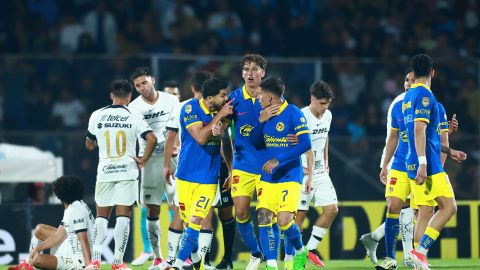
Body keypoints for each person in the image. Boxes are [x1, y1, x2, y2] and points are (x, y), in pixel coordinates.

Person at [84, 80, 157, 270]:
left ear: (111, 95)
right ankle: (117, 263)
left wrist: (99, 142)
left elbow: (89, 145)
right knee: (123, 216)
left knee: (101, 217)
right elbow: (152, 138)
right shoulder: (133, 114)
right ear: (129, 97)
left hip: (105, 170)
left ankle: (95, 261)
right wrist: (143, 159)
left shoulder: (97, 115)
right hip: (127, 170)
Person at [403, 54, 466, 270]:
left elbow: (425, 135)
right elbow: (418, 129)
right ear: (433, 72)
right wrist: (423, 162)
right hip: (427, 164)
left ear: (413, 73)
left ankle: (417, 263)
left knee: (425, 212)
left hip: (413, 162)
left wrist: (450, 148)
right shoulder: (425, 97)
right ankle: (419, 252)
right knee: (449, 208)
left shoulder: (407, 98)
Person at [169, 77, 233, 269]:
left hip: (208, 179)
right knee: (190, 226)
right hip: (185, 176)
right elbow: (200, 137)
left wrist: (230, 169)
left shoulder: (224, 113)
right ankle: (198, 264)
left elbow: (225, 142)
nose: (226, 99)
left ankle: (177, 264)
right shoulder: (190, 108)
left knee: (196, 221)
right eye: (223, 96)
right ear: (210, 98)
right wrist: (219, 115)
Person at [250, 77, 311, 270]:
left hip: (289, 176)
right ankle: (271, 264)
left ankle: (301, 251)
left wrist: (278, 160)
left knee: (284, 221)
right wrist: (261, 121)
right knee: (264, 218)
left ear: (269, 97)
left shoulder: (293, 113)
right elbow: (255, 142)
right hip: (268, 178)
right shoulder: (263, 114)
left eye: (260, 94)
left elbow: (306, 143)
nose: (258, 97)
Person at [128, 67, 180, 270]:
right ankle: (158, 258)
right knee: (152, 209)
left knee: (178, 207)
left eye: (144, 83)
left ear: (153, 80)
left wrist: (179, 149)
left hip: (174, 159)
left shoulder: (171, 100)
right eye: (138, 85)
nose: (142, 88)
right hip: (150, 162)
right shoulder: (133, 107)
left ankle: (175, 257)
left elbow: (178, 129)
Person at [163, 71, 213, 267]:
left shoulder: (181, 107)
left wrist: (166, 165)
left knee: (182, 215)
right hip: (207, 169)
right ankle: (200, 259)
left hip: (185, 168)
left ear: (192, 87)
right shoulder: (216, 108)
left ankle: (175, 259)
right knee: (204, 216)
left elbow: (170, 137)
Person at [228, 54, 267, 270]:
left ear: (263, 72)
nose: (249, 73)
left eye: (254, 69)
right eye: (246, 69)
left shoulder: (271, 97)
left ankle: (271, 259)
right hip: (242, 165)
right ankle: (255, 253)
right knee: (241, 212)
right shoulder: (233, 99)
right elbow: (224, 130)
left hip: (266, 166)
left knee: (266, 215)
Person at [294, 80, 337, 268]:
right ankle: (296, 257)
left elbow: (325, 136)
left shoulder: (328, 115)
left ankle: (310, 249)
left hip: (320, 170)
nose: (324, 107)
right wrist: (297, 163)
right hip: (302, 171)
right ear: (312, 99)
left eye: (327, 104)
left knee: (332, 209)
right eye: (321, 103)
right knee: (300, 215)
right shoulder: (300, 116)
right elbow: (291, 142)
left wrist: (326, 160)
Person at [15, 175, 94, 270]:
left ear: (59, 194)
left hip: (78, 261)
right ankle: (28, 264)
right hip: (69, 247)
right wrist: (37, 249)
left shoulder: (75, 209)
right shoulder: (72, 207)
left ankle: (29, 265)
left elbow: (83, 240)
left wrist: (89, 265)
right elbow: (59, 235)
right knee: (40, 229)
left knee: (38, 260)